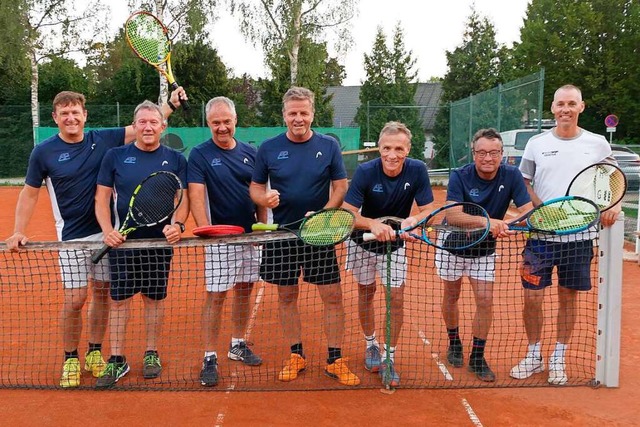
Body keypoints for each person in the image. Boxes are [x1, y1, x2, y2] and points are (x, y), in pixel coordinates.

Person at [5, 88, 185, 388]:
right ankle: (70, 358)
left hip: (108, 235)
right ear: (55, 118)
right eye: (65, 114)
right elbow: (29, 192)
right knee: (76, 299)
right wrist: (18, 229)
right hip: (72, 238)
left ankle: (94, 352)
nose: (71, 118)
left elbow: (146, 125)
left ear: (85, 116)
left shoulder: (101, 139)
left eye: (76, 112)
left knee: (103, 294)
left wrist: (172, 105)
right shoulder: (44, 152)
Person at [511, 84, 620, 385]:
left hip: (579, 239)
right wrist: (542, 208)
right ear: (553, 108)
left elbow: (613, 179)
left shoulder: (598, 144)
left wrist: (613, 206)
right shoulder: (536, 143)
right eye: (561, 104)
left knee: (567, 299)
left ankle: (558, 357)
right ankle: (534, 354)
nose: (565, 110)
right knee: (531, 299)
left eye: (571, 104)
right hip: (539, 237)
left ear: (581, 107)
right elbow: (524, 182)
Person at [249, 86, 359, 386]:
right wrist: (264, 198)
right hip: (282, 235)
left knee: (333, 296)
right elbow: (255, 189)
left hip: (319, 234)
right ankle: (296, 354)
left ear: (312, 114)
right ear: (284, 115)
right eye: (293, 113)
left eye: (304, 113)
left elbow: (340, 187)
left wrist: (323, 215)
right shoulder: (268, 148)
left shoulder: (329, 146)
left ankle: (335, 359)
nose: (299, 118)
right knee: (286, 296)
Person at [94, 100, 189, 388]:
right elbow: (101, 199)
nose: (148, 127)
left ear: (163, 126)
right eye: (142, 122)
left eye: (153, 122)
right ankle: (117, 358)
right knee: (119, 301)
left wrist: (178, 225)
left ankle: (151, 353)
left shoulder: (176, 159)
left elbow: (180, 201)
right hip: (123, 244)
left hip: (158, 245)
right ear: (134, 126)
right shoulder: (115, 156)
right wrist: (108, 231)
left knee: (154, 300)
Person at [342, 121, 434, 387]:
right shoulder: (365, 171)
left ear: (408, 149)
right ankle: (370, 344)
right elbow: (349, 212)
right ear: (379, 148)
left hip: (395, 245)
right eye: (386, 148)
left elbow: (428, 208)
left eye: (399, 148)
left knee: (396, 298)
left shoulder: (417, 170)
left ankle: (389, 356)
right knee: (366, 292)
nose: (392, 155)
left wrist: (413, 220)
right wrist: (372, 223)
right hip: (362, 244)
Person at [436, 128, 532, 382]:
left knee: (485, 299)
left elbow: (526, 211)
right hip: (452, 243)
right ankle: (454, 341)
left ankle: (477, 356)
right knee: (452, 294)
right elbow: (453, 215)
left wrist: (513, 224)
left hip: (484, 249)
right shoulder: (460, 175)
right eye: (481, 152)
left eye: (493, 153)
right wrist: (489, 222)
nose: (487, 158)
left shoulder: (511, 175)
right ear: (474, 153)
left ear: (502, 154)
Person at [187, 96, 267, 387]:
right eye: (215, 122)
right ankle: (210, 355)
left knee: (244, 290)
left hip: (249, 237)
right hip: (220, 239)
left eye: (226, 121)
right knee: (216, 296)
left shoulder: (251, 152)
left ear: (236, 120)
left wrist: (262, 229)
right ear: (208, 123)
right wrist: (205, 231)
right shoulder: (199, 154)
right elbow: (196, 195)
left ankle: (237, 343)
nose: (222, 127)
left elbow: (258, 193)